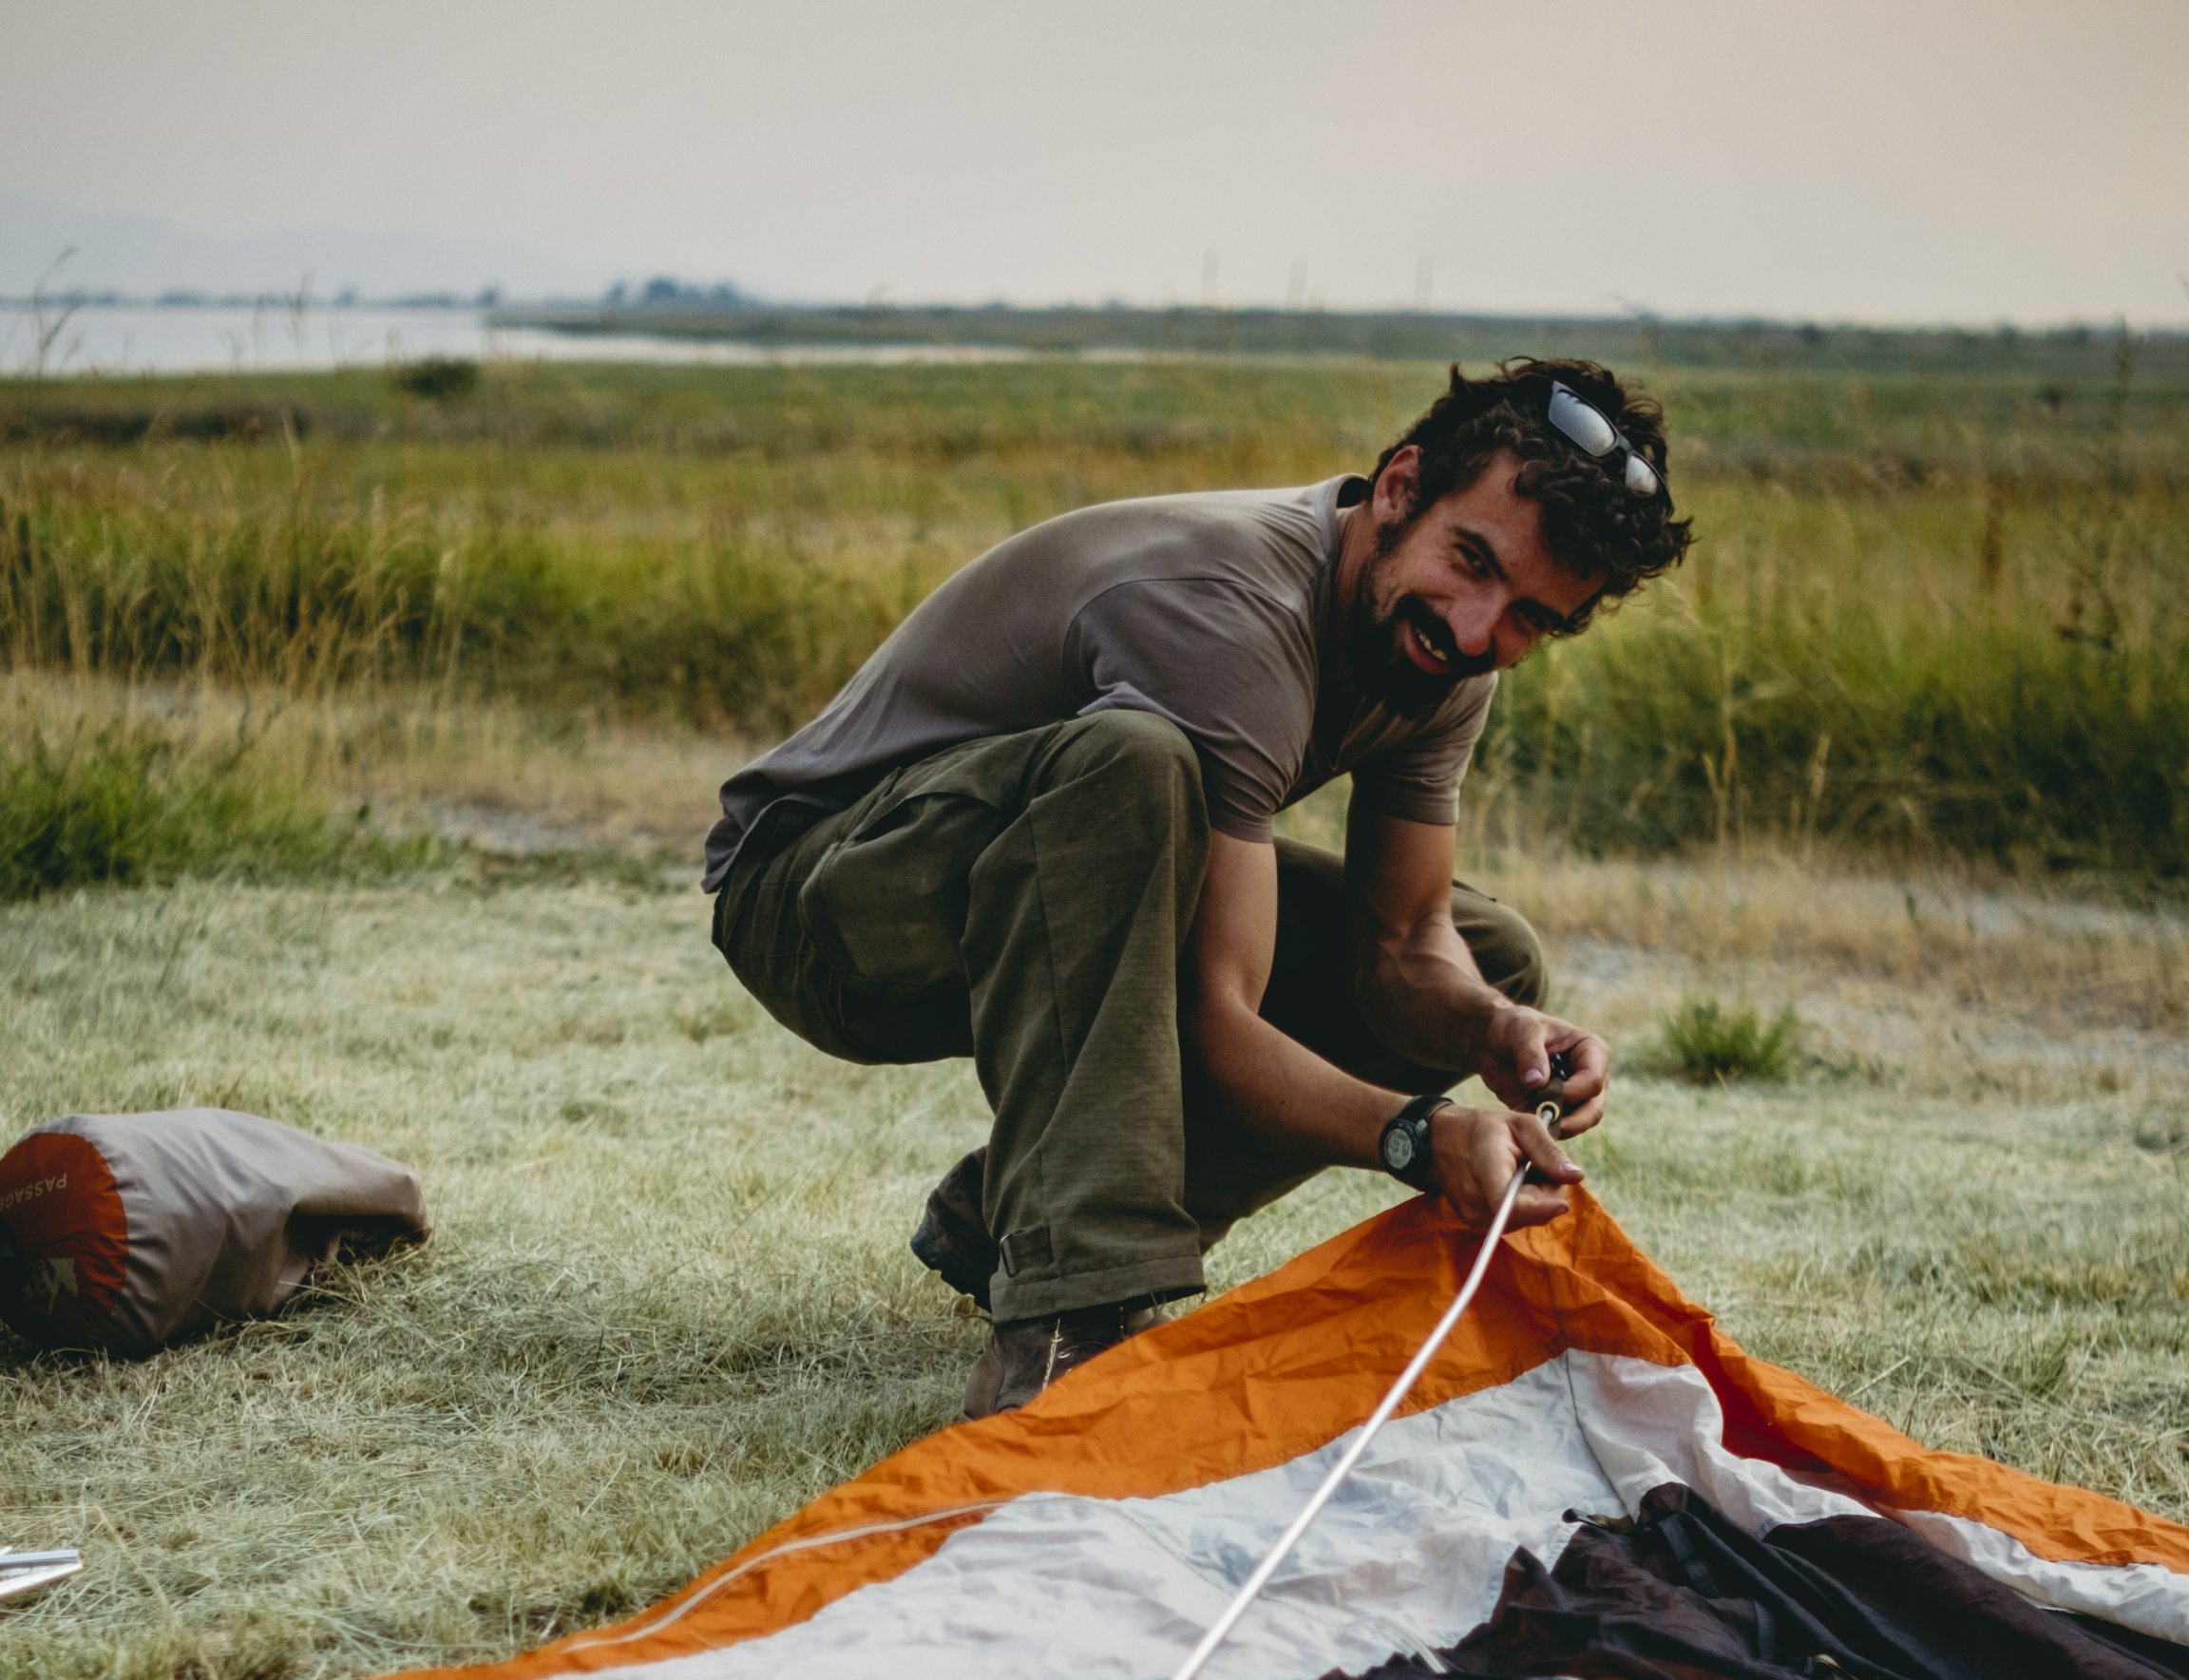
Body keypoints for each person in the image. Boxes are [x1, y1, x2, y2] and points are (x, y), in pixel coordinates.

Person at [704, 359, 1693, 1416]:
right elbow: (1212, 1020)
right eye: (1470, 560)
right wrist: (1419, 1134)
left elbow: (1404, 943)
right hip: (822, 904)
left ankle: (1001, 1216)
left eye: (1531, 618)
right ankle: (1068, 1314)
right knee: (1132, 766)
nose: (1475, 629)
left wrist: (1491, 1027)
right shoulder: (1232, 609)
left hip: (1039, 900)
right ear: (1401, 486)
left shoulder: (1443, 661)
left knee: (1486, 960)